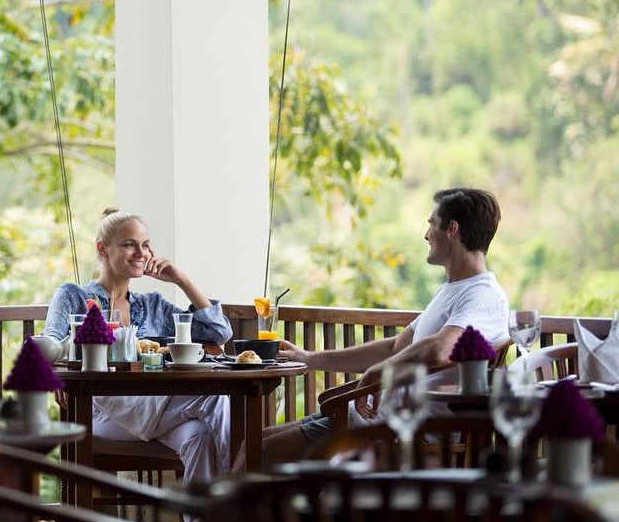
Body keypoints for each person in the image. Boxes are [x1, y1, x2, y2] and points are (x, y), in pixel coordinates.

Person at [235, 187, 510, 470]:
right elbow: (394, 348)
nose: (426, 234)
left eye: (431, 224)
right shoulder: (453, 291)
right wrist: (310, 358)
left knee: (258, 455)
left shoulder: (482, 296)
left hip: (401, 438)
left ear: (452, 229)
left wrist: (379, 372)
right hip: (376, 424)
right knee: (251, 445)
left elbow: (441, 349)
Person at [44, 209, 234, 483]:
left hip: (155, 407)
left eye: (145, 245)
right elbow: (49, 344)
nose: (141, 253)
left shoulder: (152, 305)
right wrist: (56, 377)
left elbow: (219, 332)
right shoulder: (74, 296)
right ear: (103, 249)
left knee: (199, 437)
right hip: (100, 410)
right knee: (214, 396)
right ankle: (244, 498)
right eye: (129, 244)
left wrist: (182, 279)